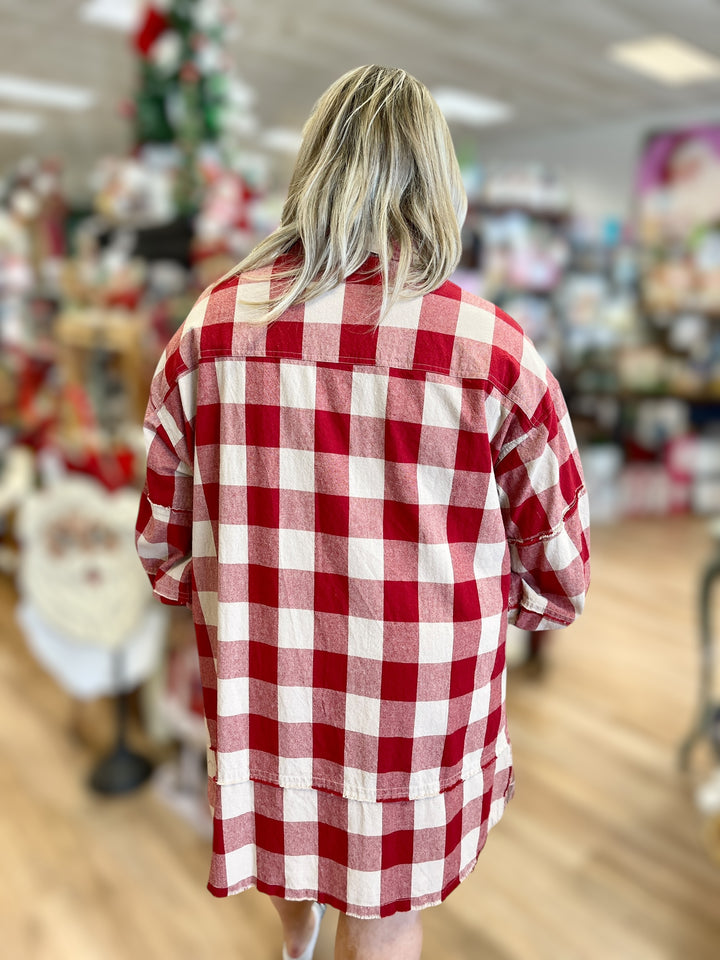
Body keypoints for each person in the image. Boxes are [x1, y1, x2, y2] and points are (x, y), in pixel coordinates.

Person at [135, 64, 591, 960]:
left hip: (270, 684)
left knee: (287, 850)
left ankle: (297, 936)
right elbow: (561, 571)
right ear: (438, 184)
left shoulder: (211, 330)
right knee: (388, 918)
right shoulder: (495, 351)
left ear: (310, 172)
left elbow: (161, 544)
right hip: (417, 700)